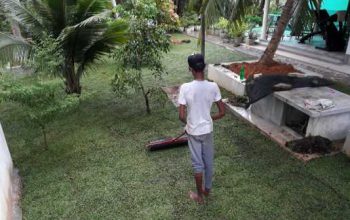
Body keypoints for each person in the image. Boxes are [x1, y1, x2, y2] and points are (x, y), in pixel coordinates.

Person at [178, 53, 225, 204]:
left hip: (193, 132)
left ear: (189, 69)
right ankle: (207, 190)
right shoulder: (213, 86)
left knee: (198, 164)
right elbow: (222, 112)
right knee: (208, 161)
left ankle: (199, 197)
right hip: (207, 131)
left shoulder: (185, 88)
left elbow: (181, 115)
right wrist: (210, 119)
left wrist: (188, 124)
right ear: (204, 67)